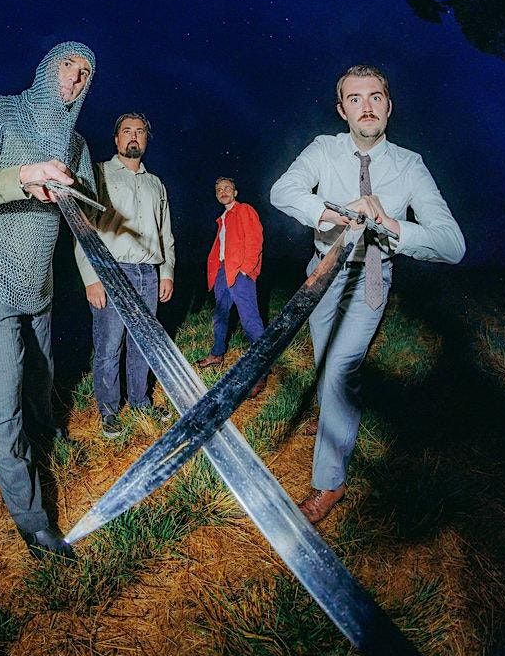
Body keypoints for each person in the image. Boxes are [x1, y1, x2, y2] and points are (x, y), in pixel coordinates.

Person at [270, 64, 465, 524]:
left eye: (375, 97)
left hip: (369, 279)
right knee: (324, 359)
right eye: (355, 99)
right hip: (323, 272)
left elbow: (452, 245)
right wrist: (339, 212)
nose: (367, 107)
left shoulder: (409, 164)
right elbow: (283, 190)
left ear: (389, 106)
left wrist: (391, 225)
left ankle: (329, 484)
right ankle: (332, 416)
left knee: (340, 368)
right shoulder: (324, 149)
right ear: (342, 111)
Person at [0, 42, 96, 560]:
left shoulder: (76, 144)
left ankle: (47, 439)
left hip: (39, 285)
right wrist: (25, 175)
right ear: (46, 67)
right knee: (2, 402)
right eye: (67, 67)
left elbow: (89, 219)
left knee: (42, 378)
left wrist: (79, 199)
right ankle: (34, 523)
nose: (74, 79)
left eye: (85, 74)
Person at [74, 113, 176, 437]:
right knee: (109, 344)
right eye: (127, 131)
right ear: (116, 139)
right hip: (111, 271)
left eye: (140, 131)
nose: (134, 136)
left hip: (149, 273)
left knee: (142, 343)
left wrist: (167, 272)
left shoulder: (155, 183)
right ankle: (108, 410)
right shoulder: (100, 174)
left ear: (146, 140)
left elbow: (166, 235)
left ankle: (140, 401)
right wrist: (91, 277)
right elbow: (82, 228)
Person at [197, 177, 267, 397]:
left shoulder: (245, 210)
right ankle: (217, 354)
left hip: (239, 272)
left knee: (250, 320)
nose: (223, 192)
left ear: (235, 192)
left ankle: (261, 371)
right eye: (219, 189)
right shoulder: (223, 218)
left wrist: (245, 270)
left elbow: (255, 240)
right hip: (222, 272)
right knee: (220, 315)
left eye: (227, 188)